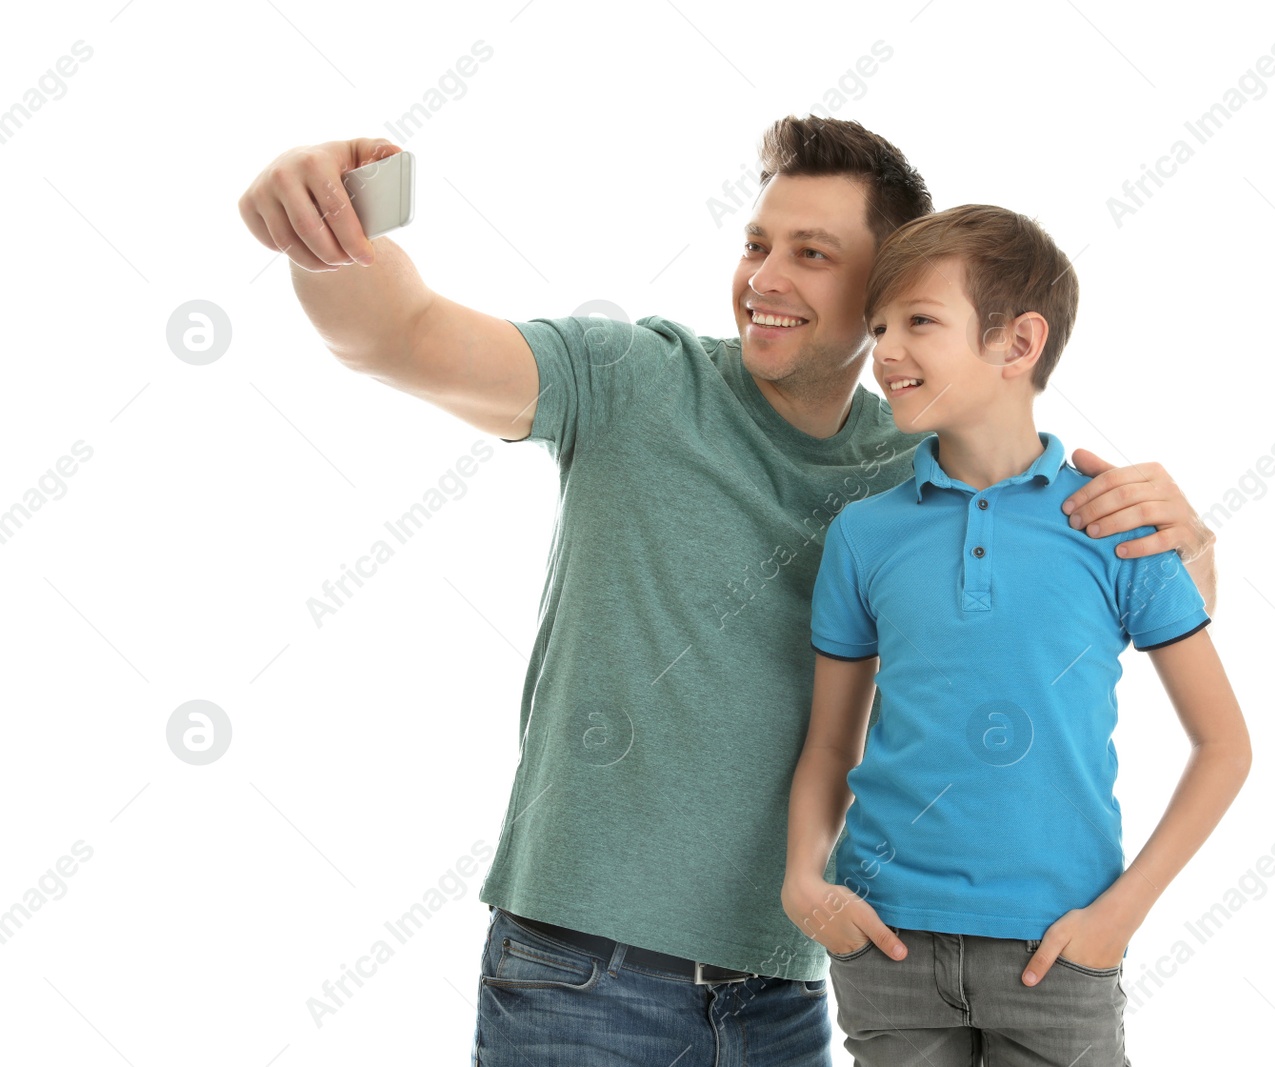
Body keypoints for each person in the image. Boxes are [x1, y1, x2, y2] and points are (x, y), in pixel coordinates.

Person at [236, 116, 1220, 1066]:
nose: (766, 278)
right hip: (583, 976)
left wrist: (1186, 531)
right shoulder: (631, 380)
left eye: (812, 253)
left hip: (789, 993)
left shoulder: (915, 474)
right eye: (757, 243)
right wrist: (319, 223)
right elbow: (399, 337)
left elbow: (1099, 598)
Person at [783, 203, 1250, 1066]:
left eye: (919, 321)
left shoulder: (1115, 524)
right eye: (879, 325)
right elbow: (829, 745)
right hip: (885, 947)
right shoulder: (864, 534)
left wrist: (1117, 917)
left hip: (1057, 953)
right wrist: (806, 882)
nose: (884, 351)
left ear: (1018, 343)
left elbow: (1224, 746)